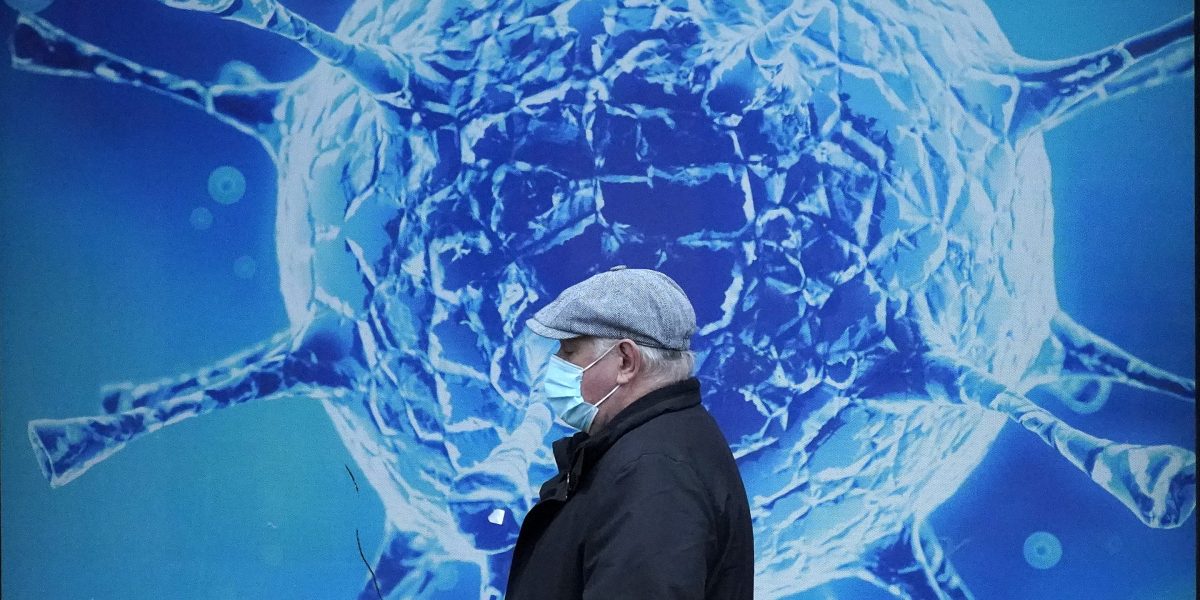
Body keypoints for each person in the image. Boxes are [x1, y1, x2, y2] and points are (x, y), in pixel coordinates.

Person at [505, 266, 754, 599]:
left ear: (625, 361)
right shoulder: (655, 447)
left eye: (569, 351)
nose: (555, 364)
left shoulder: (654, 473)